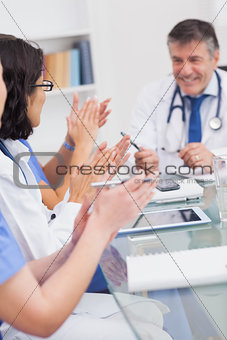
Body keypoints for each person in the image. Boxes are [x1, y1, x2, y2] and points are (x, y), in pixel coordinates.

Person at [0, 59, 173, 340]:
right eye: (42, 84)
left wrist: (75, 147)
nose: (45, 94)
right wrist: (86, 185)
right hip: (25, 310)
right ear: (19, 90)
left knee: (151, 314)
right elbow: (55, 205)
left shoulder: (11, 145)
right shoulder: (4, 166)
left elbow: (47, 189)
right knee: (153, 328)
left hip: (38, 282)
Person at [128, 19, 227, 176]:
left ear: (215, 59)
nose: (185, 71)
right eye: (177, 60)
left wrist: (217, 160)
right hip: (169, 195)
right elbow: (137, 152)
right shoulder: (151, 95)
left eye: (195, 60)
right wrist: (143, 161)